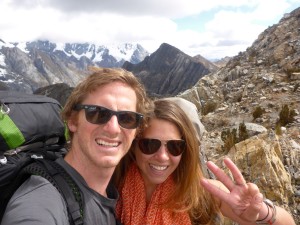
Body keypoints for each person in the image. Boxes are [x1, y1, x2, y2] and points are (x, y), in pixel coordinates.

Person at [1, 67, 150, 225]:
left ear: (136, 130)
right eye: (98, 113)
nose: (113, 128)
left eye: (127, 118)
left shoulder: (120, 192)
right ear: (72, 120)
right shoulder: (41, 198)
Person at [114, 99, 296, 225]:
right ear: (134, 146)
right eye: (149, 144)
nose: (162, 156)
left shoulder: (202, 190)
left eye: (175, 147)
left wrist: (261, 212)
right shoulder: (110, 184)